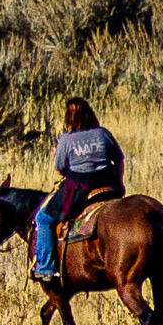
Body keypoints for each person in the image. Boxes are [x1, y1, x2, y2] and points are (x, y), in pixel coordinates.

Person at [29, 97, 123, 283]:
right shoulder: (103, 134)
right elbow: (119, 160)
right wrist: (119, 182)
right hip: (108, 184)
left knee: (43, 218)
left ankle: (46, 268)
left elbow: (59, 170)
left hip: (80, 187)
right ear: (90, 113)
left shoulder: (67, 139)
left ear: (68, 118)